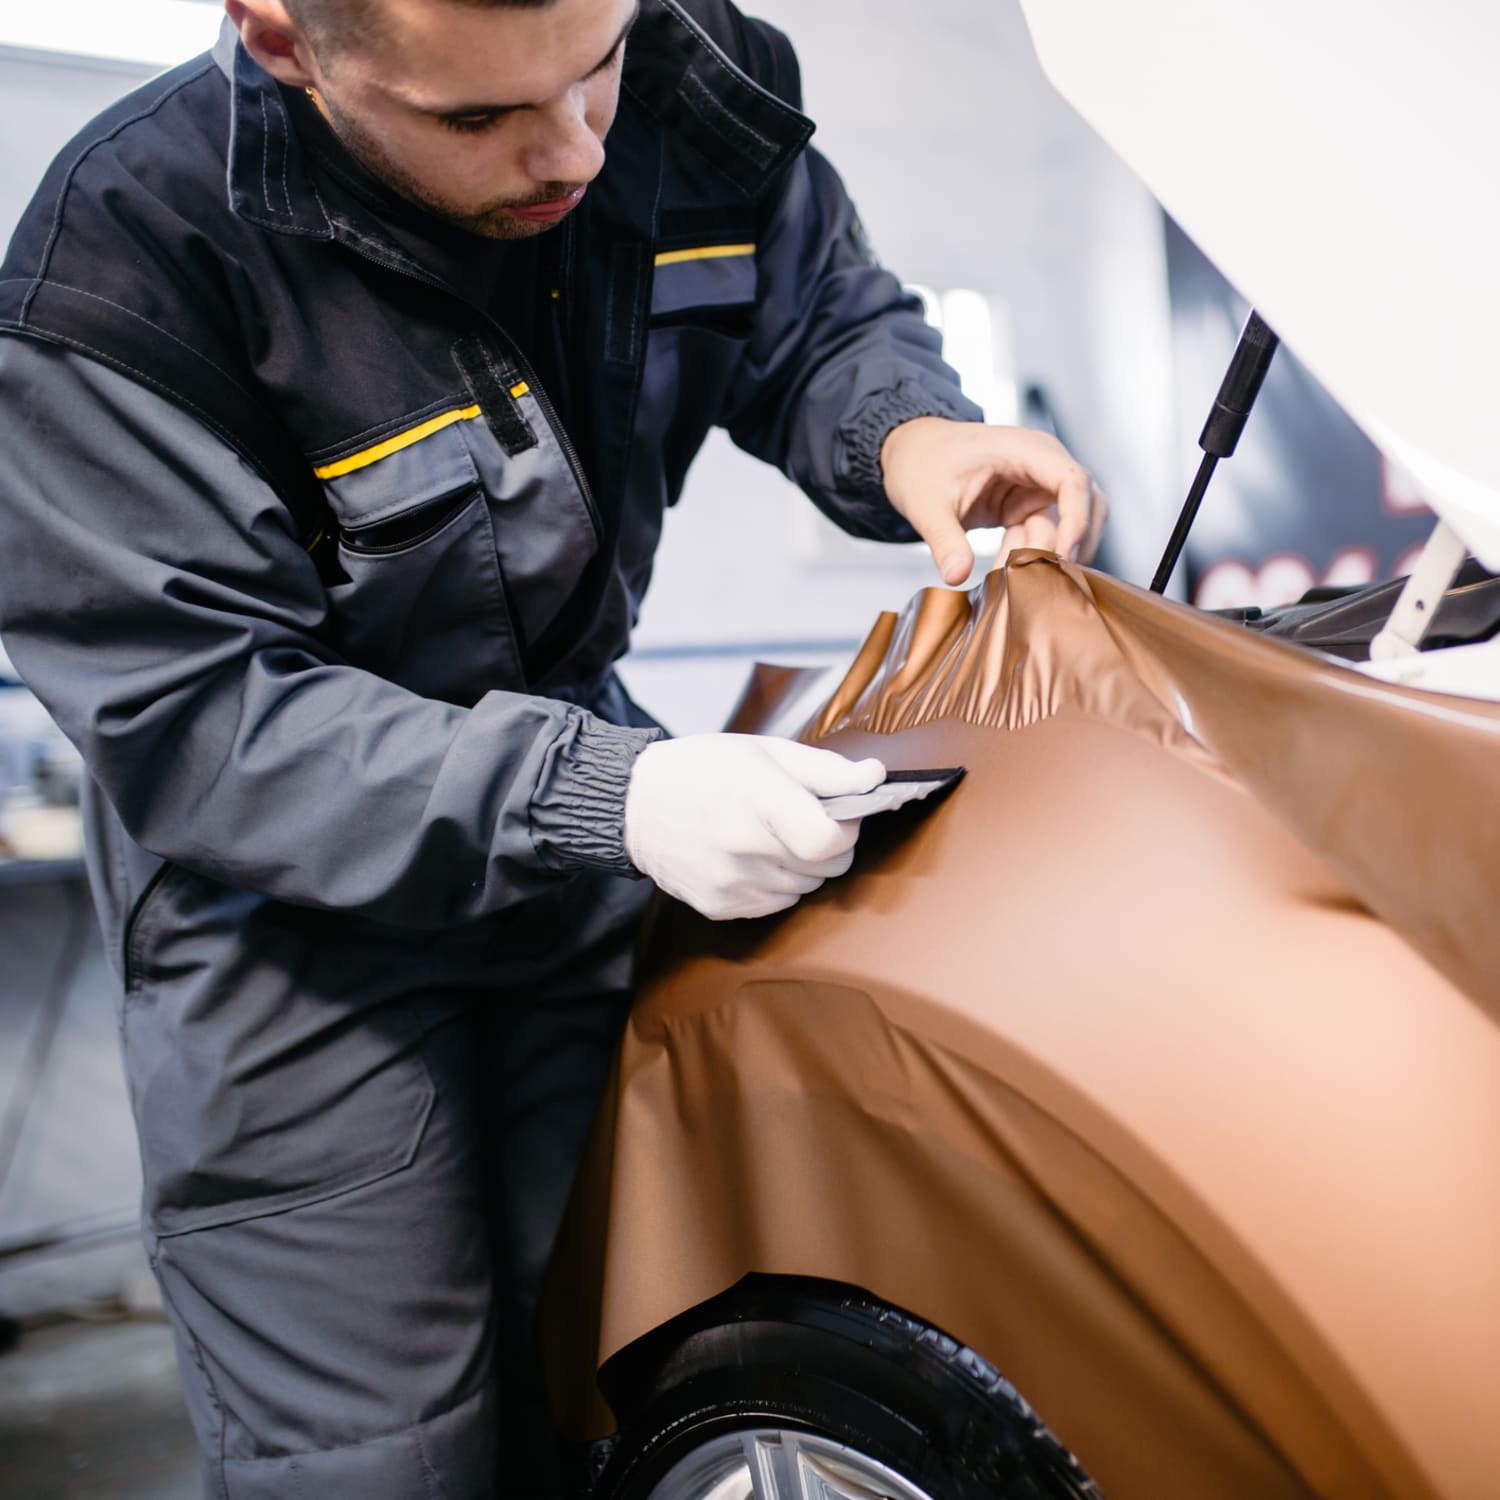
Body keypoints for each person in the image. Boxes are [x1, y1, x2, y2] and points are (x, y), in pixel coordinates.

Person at [0, 0, 1107, 1493]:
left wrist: (911, 432)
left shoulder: (691, 78)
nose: (574, 147)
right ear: (281, 37)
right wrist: (612, 791)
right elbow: (204, 720)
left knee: (626, 1363)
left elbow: (821, 314)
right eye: (476, 120)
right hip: (289, 918)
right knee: (385, 1460)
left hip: (588, 840)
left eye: (596, 71)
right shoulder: (123, 263)